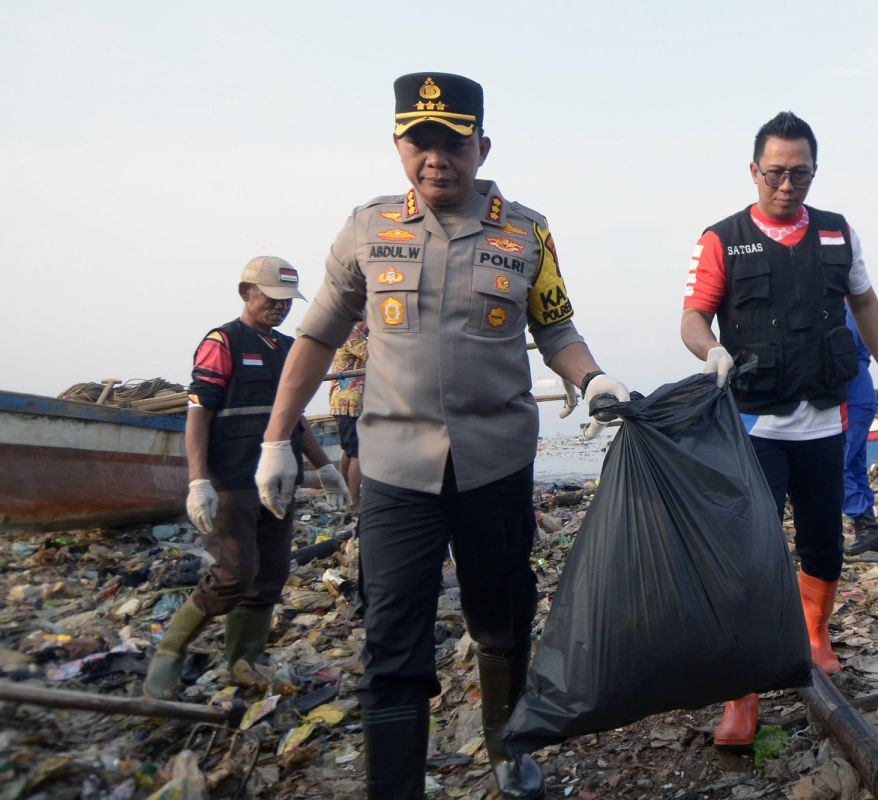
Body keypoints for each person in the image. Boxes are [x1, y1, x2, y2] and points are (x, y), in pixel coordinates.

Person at [254, 73, 628, 800]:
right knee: (391, 640)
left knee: (503, 615)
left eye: (452, 144)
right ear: (399, 145)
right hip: (395, 470)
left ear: (481, 146)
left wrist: (594, 379)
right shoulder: (368, 228)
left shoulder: (527, 230)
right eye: (420, 143)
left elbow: (554, 325)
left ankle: (506, 749)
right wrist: (277, 439)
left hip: (494, 464)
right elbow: (319, 334)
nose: (436, 160)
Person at [680, 111, 878, 749]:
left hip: (824, 421)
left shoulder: (838, 234)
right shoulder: (722, 238)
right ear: (754, 171)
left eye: (800, 173)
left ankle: (813, 637)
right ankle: (743, 690)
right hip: (755, 425)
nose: (788, 185)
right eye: (776, 173)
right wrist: (710, 352)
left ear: (814, 171)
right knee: (750, 558)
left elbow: (864, 302)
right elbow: (694, 316)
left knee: (824, 546)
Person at [144, 257, 350, 700]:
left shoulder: (285, 347)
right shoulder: (223, 342)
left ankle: (245, 658)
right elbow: (199, 413)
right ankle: (170, 650)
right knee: (234, 574)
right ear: (245, 293)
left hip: (279, 478)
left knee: (271, 572)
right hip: (232, 477)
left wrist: (325, 467)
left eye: (286, 303)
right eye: (270, 299)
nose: (279, 309)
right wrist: (198, 480)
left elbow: (294, 416)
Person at [842, 309, 878, 555]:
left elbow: (843, 343)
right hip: (857, 396)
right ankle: (868, 528)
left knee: (837, 467)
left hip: (852, 398)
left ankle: (865, 524)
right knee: (855, 465)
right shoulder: (851, 309)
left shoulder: (846, 310)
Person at [329, 320, 369, 512]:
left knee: (350, 448)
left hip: (351, 402)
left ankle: (347, 494)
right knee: (357, 451)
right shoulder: (352, 335)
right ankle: (354, 501)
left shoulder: (355, 335)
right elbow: (374, 355)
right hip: (348, 401)